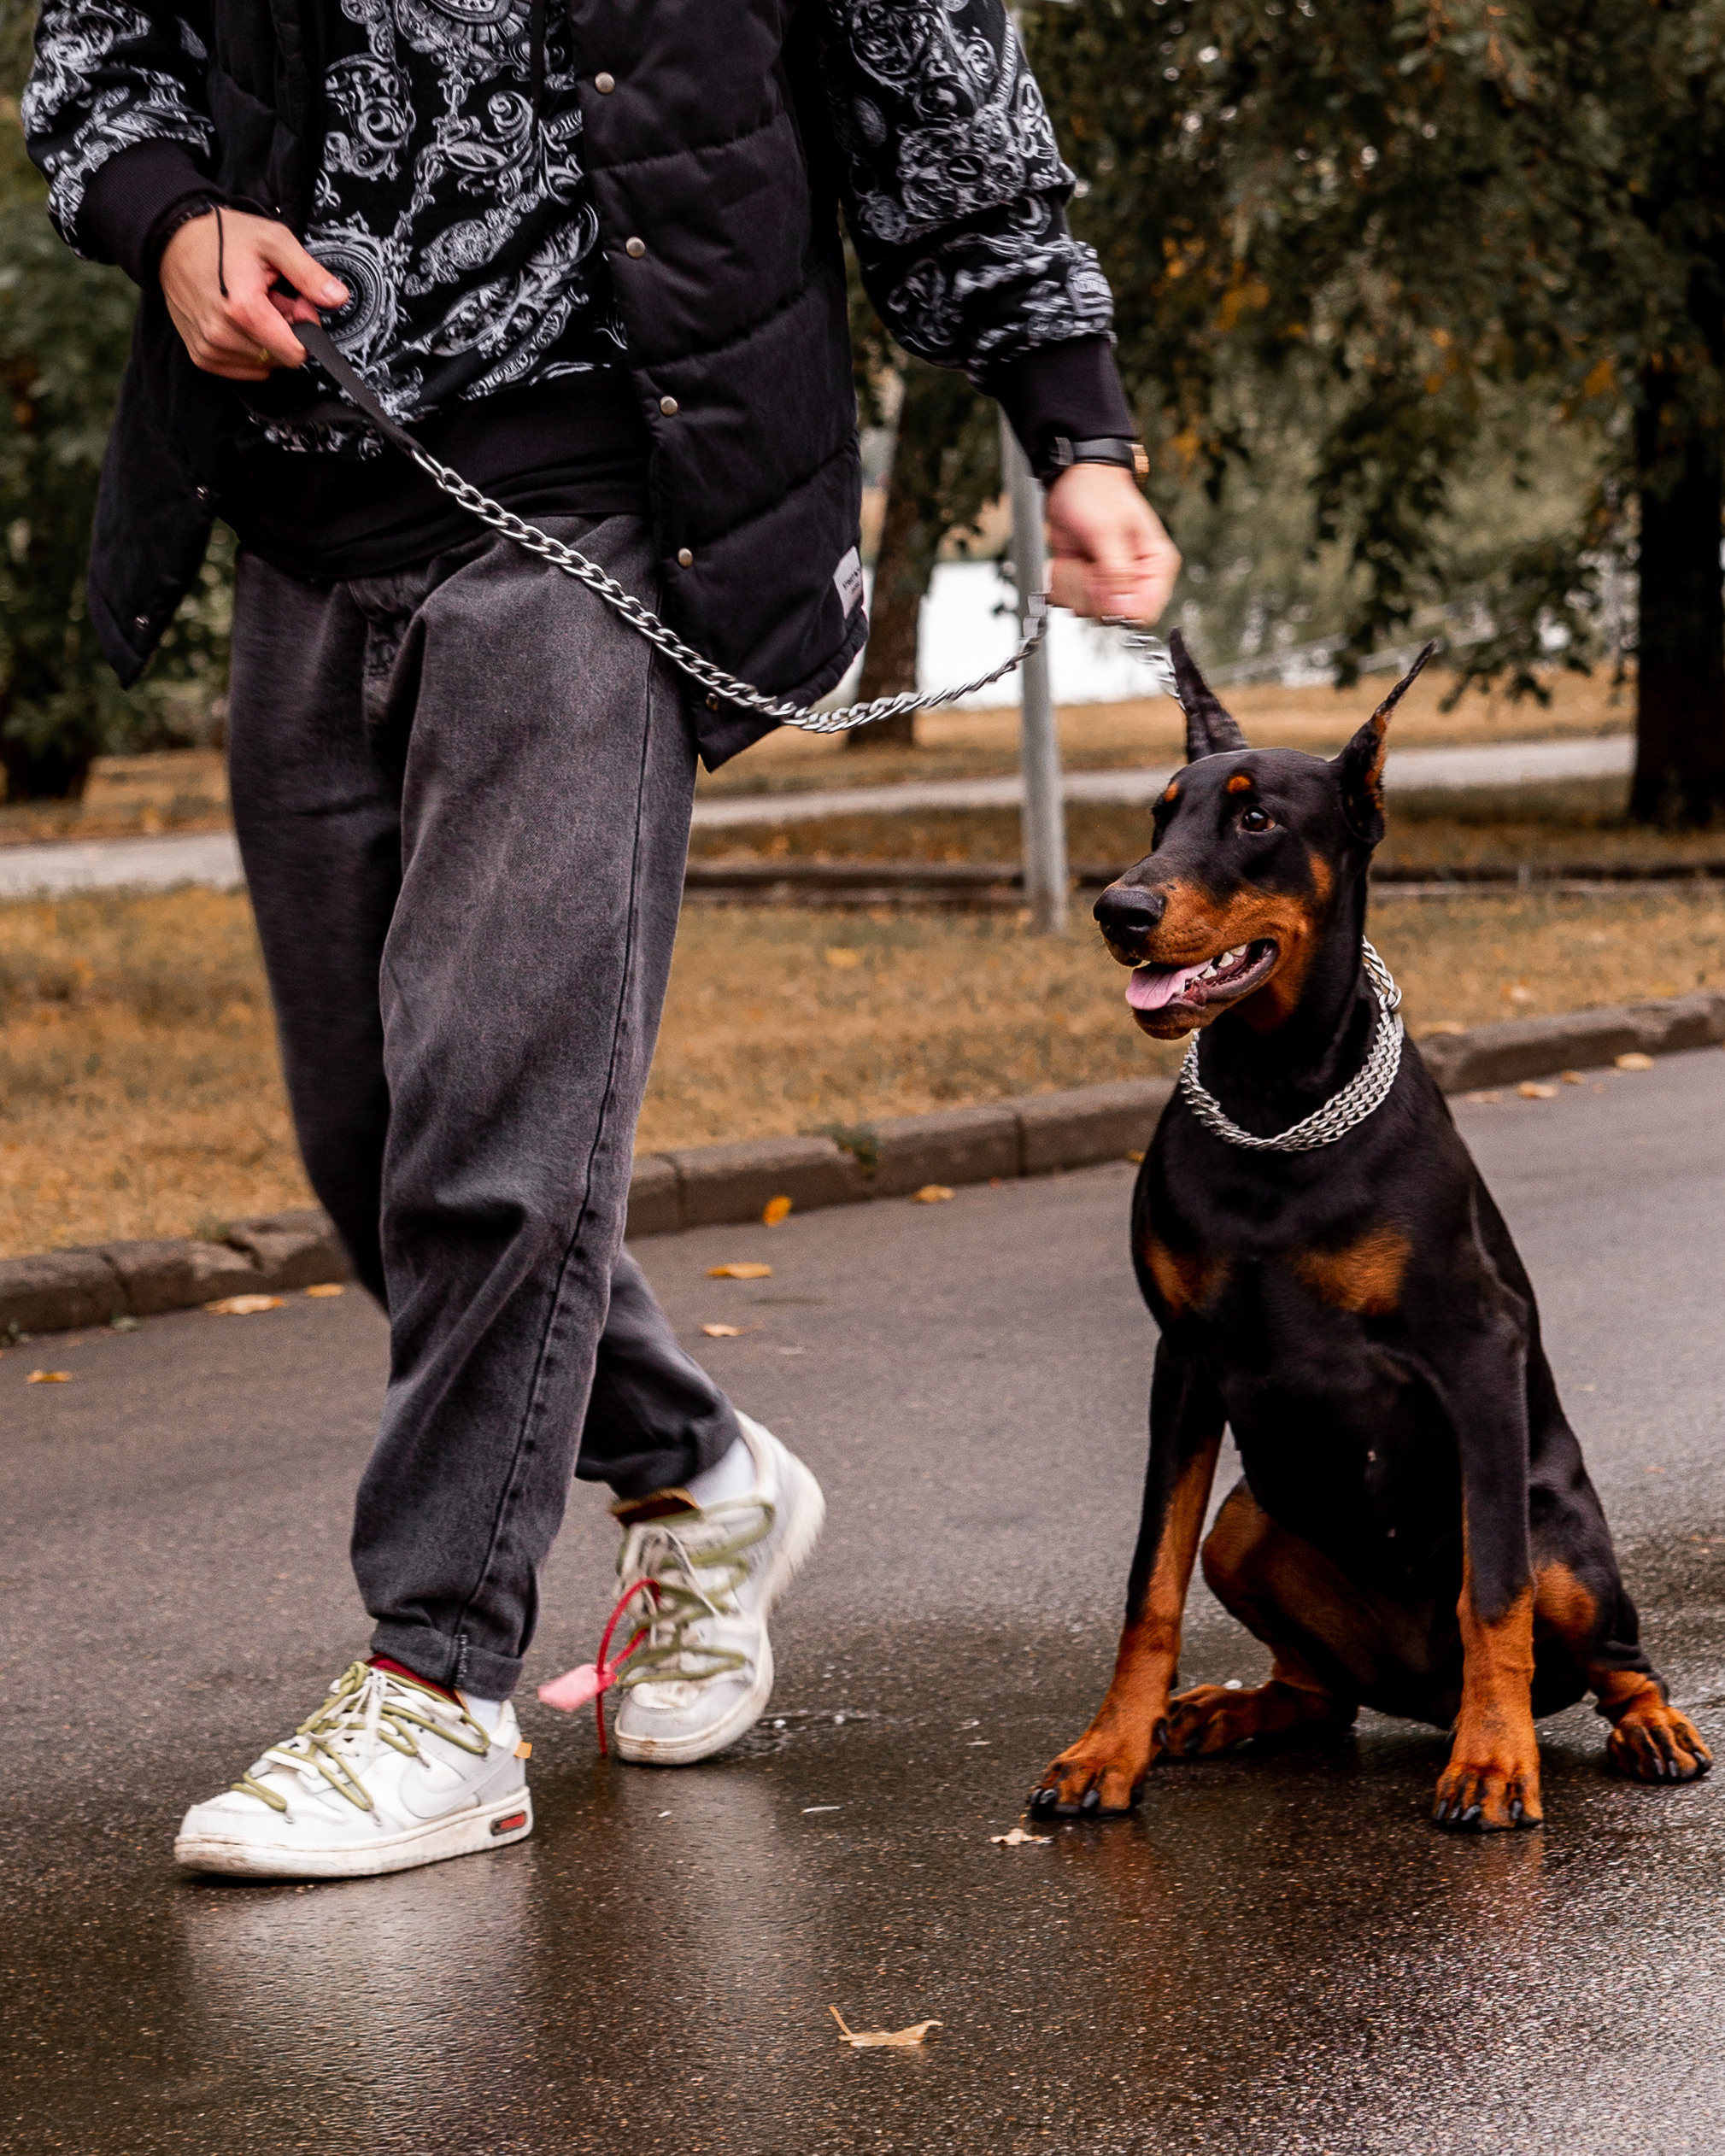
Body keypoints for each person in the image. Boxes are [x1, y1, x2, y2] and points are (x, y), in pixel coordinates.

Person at [25, 0, 1180, 1880]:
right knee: (373, 1140)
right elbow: (100, 56)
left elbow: (950, 127)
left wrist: (1078, 437)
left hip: (602, 513)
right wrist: (171, 225)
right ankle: (700, 1475)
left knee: (498, 1117)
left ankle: (437, 1681)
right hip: (302, 505)